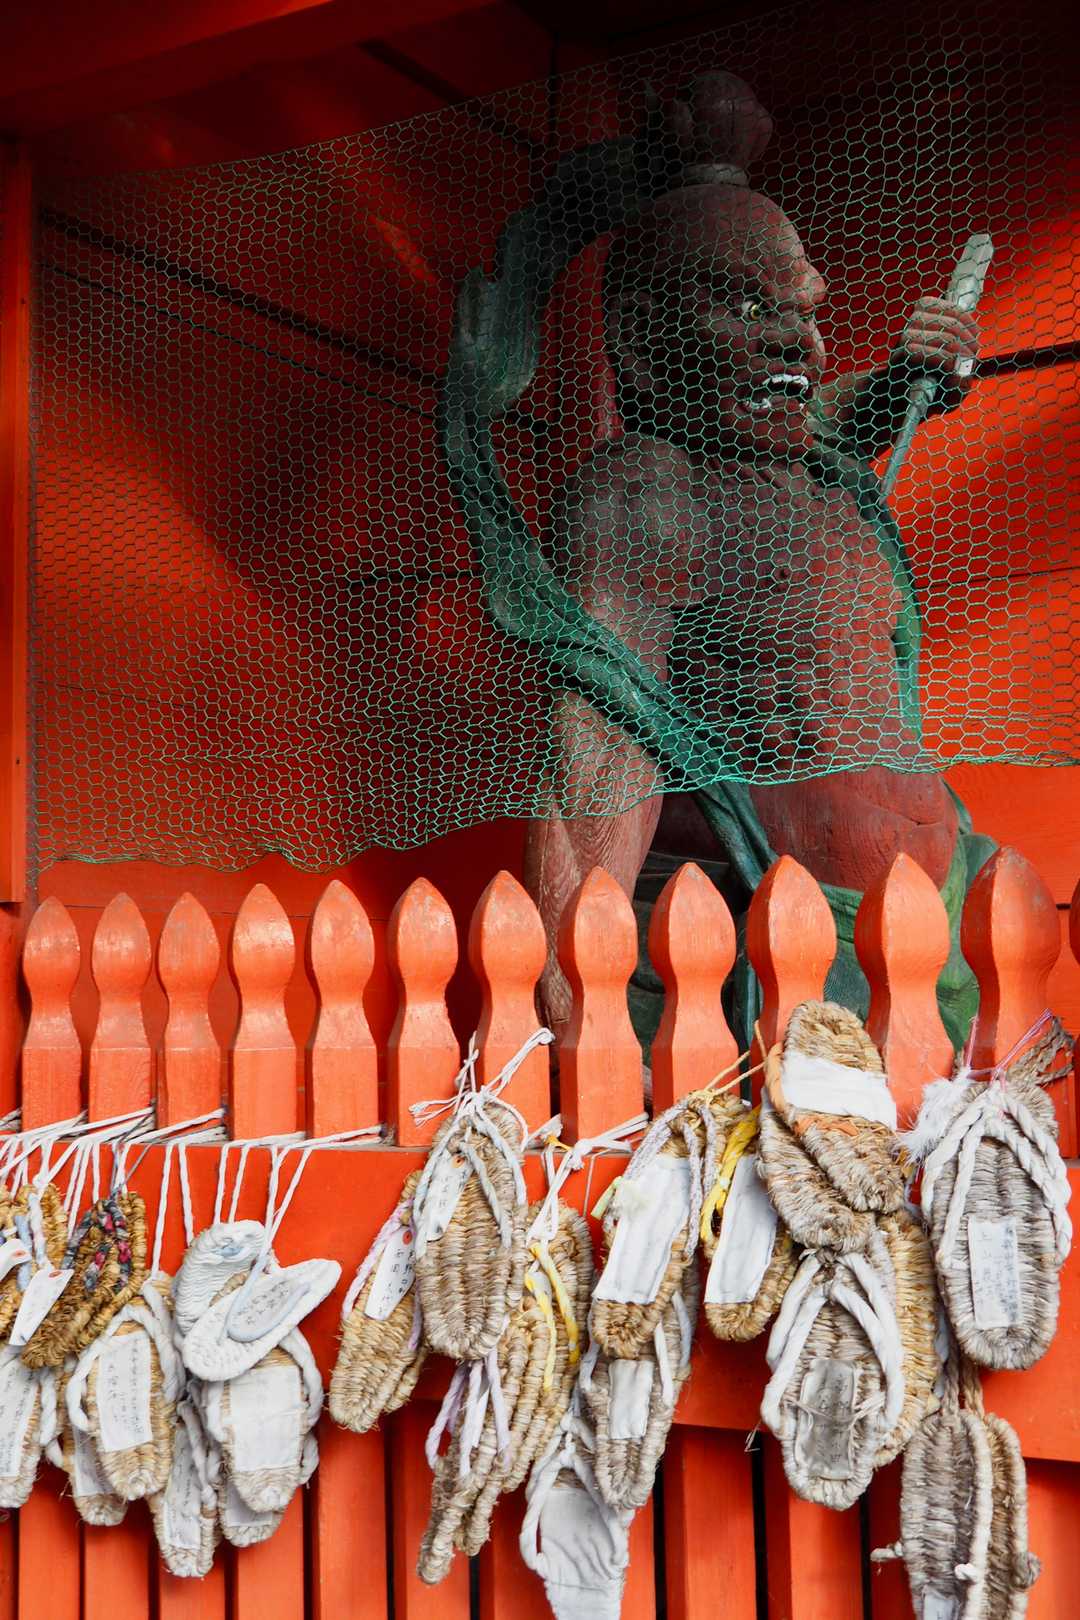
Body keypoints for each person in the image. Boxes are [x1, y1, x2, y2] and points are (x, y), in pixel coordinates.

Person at [518, 73, 994, 1052]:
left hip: (950, 905)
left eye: (805, 310)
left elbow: (822, 411)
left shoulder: (824, 480)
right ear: (641, 340)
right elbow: (597, 761)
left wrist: (910, 377)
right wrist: (579, 1006)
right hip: (798, 934)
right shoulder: (650, 494)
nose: (795, 341)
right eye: (743, 305)